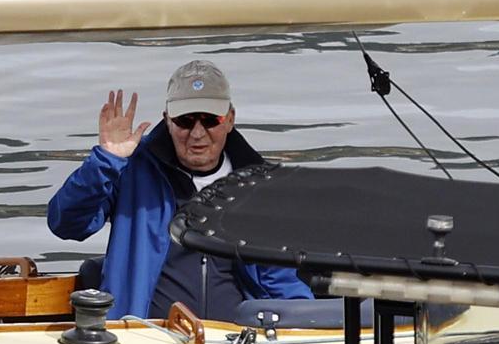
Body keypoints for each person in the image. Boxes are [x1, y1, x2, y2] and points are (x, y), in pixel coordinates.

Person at [47, 59, 312, 320]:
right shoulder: (129, 170)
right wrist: (106, 161)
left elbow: (281, 280)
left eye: (210, 120)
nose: (197, 133)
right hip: (143, 337)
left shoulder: (259, 183)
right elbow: (67, 224)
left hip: (237, 342)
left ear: (230, 120)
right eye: (185, 121)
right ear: (168, 120)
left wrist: (309, 326)